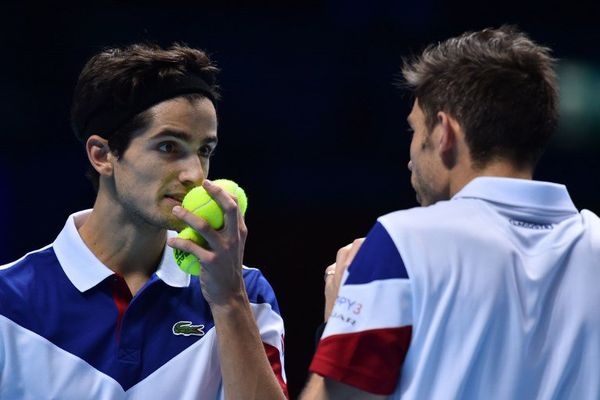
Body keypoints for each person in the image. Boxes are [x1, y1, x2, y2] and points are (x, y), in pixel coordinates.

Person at [301, 26, 600, 399]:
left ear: (444, 132)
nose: (409, 157)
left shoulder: (402, 241)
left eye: (414, 129)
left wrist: (336, 327)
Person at [0, 43, 287, 399]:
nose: (194, 174)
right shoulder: (7, 302)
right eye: (169, 147)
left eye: (205, 151)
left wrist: (229, 301)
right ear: (102, 155)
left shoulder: (247, 294)